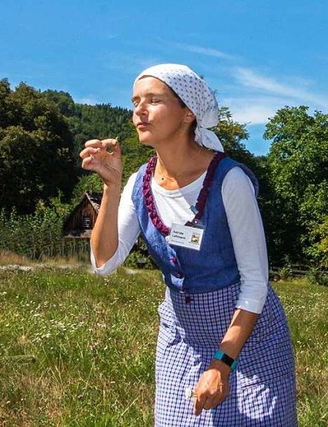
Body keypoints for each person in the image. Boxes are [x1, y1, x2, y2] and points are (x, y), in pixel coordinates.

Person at [80, 64, 297, 426]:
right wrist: (111, 186)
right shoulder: (139, 182)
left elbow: (256, 283)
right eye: (135, 102)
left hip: (248, 338)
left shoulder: (230, 181)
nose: (139, 111)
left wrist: (222, 364)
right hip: (182, 338)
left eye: (154, 100)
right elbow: (104, 262)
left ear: (187, 113)